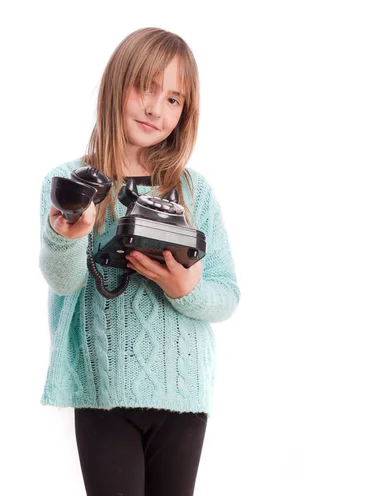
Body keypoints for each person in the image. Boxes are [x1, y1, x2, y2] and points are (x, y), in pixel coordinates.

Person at [38, 27, 240, 496]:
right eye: (145, 87)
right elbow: (63, 281)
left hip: (182, 393)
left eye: (173, 99)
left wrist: (185, 288)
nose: (155, 108)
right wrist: (70, 236)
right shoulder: (68, 181)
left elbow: (228, 293)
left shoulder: (193, 191)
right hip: (103, 391)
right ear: (116, 84)